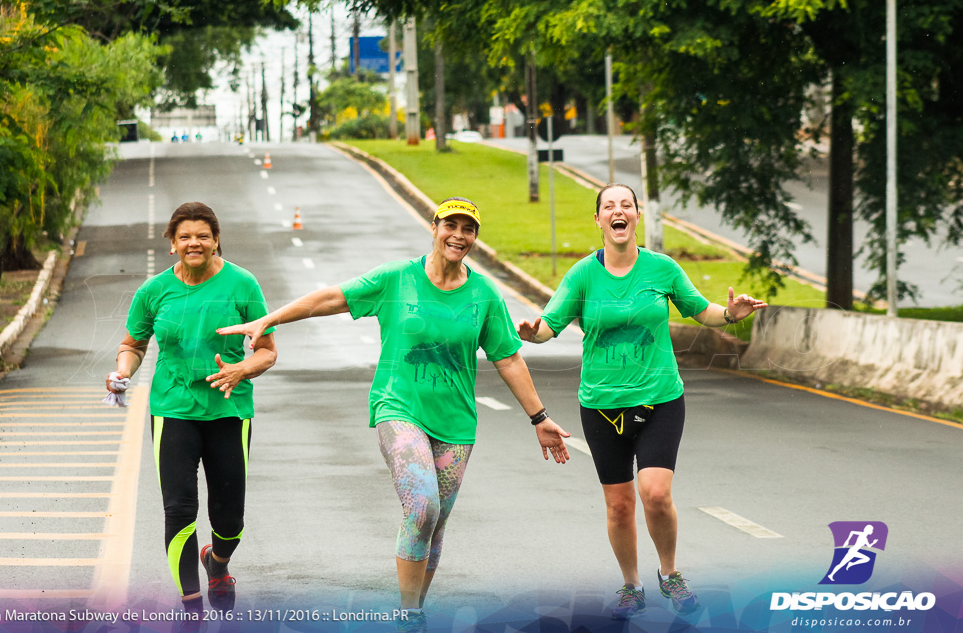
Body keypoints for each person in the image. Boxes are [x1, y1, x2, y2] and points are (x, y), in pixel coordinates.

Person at [217, 197, 570, 632]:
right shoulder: (397, 279)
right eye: (451, 225)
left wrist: (540, 418)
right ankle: (408, 614)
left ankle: (414, 612)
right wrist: (269, 320)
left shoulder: (483, 295)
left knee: (434, 523)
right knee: (422, 506)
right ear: (434, 227)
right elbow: (331, 298)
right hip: (397, 407)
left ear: (475, 237)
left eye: (469, 229)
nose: (459, 235)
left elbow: (509, 359)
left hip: (457, 423)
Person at [517, 184, 767, 619]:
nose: (618, 212)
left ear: (637, 216)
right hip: (601, 405)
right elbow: (548, 325)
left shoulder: (661, 268)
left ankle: (669, 573)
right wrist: (530, 333)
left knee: (654, 493)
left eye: (626, 206)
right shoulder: (580, 277)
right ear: (598, 220)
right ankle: (631, 584)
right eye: (608, 207)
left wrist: (730, 314)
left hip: (659, 399)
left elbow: (699, 309)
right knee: (618, 504)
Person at [105, 202, 277, 628]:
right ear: (172, 244)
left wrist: (241, 369)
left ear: (216, 239)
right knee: (179, 510)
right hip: (173, 409)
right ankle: (192, 609)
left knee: (230, 519)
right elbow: (133, 344)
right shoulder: (154, 291)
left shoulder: (242, 284)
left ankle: (217, 563)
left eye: (202, 235)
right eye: (185, 236)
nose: (194, 243)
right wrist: (122, 373)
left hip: (229, 409)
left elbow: (268, 351)